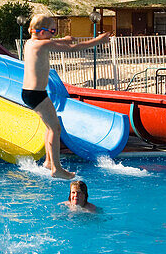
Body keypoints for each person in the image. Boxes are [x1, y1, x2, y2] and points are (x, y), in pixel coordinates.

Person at [22, 14, 110, 179]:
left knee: (50, 127)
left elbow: (49, 41)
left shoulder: (30, 43)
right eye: (52, 31)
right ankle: (57, 168)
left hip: (30, 93)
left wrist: (63, 39)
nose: (54, 34)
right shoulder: (41, 45)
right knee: (55, 128)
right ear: (41, 32)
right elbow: (72, 49)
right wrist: (98, 40)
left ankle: (49, 161)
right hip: (36, 94)